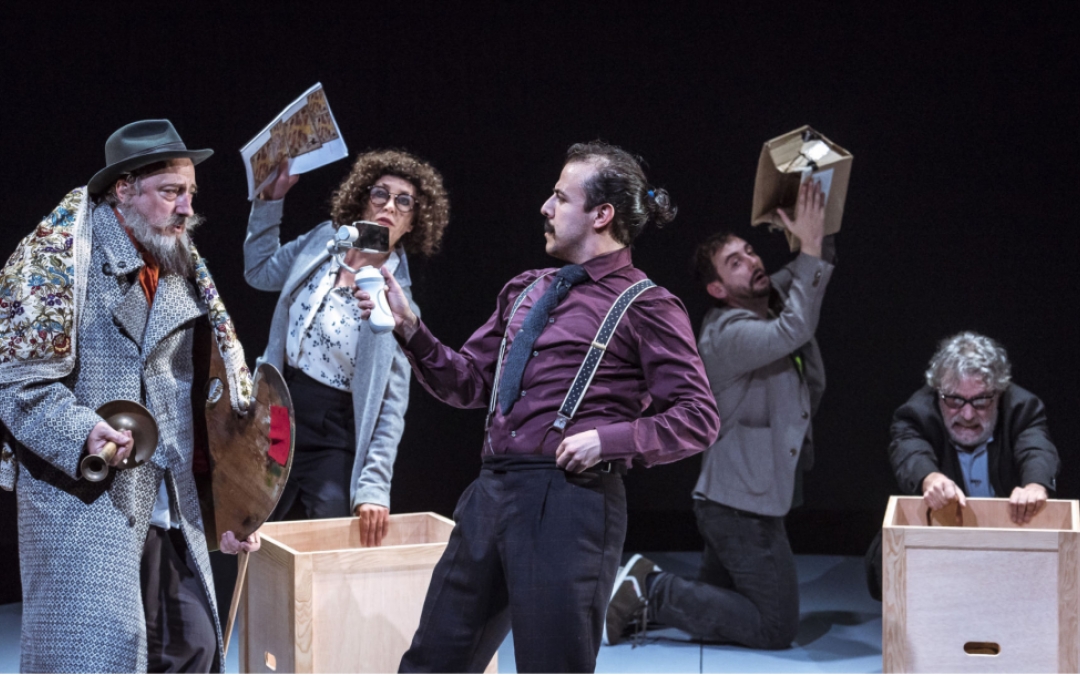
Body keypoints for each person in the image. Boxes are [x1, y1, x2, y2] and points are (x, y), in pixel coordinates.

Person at [355, 141, 720, 673]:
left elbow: (698, 416)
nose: (545, 208)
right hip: (491, 492)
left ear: (601, 215)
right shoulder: (525, 290)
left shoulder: (647, 305)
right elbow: (469, 384)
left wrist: (609, 440)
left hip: (570, 501)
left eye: (560, 198)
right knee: (432, 661)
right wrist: (410, 327)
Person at [0, 119, 258, 673]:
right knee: (100, 656)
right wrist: (83, 433)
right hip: (85, 498)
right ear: (124, 189)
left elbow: (204, 391)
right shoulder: (56, 260)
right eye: (171, 192)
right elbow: (18, 383)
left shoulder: (177, 261)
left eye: (190, 193)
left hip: (166, 497)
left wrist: (231, 502)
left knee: (192, 646)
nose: (187, 208)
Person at [604, 180, 833, 650]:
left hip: (739, 499)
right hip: (739, 510)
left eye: (750, 251)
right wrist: (809, 248)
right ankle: (651, 588)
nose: (752, 261)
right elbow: (797, 324)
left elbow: (814, 270)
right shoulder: (726, 335)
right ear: (717, 288)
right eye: (735, 263)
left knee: (720, 603)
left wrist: (810, 230)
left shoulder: (766, 302)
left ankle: (640, 598)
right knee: (774, 627)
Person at [244, 151, 448, 545]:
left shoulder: (399, 305)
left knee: (331, 545)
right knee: (252, 530)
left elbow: (391, 406)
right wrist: (270, 201)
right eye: (381, 194)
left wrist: (375, 488)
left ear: (413, 222)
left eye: (404, 201)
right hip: (279, 411)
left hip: (332, 431)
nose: (390, 206)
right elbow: (259, 271)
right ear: (362, 199)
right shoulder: (324, 241)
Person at [864, 331, 1060, 599]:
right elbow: (909, 451)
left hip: (1008, 545)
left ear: (999, 394)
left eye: (981, 401)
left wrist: (1035, 486)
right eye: (954, 401)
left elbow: (1036, 447)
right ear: (938, 392)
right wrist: (930, 478)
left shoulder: (1022, 407)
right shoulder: (915, 413)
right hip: (943, 550)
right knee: (884, 562)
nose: (967, 414)